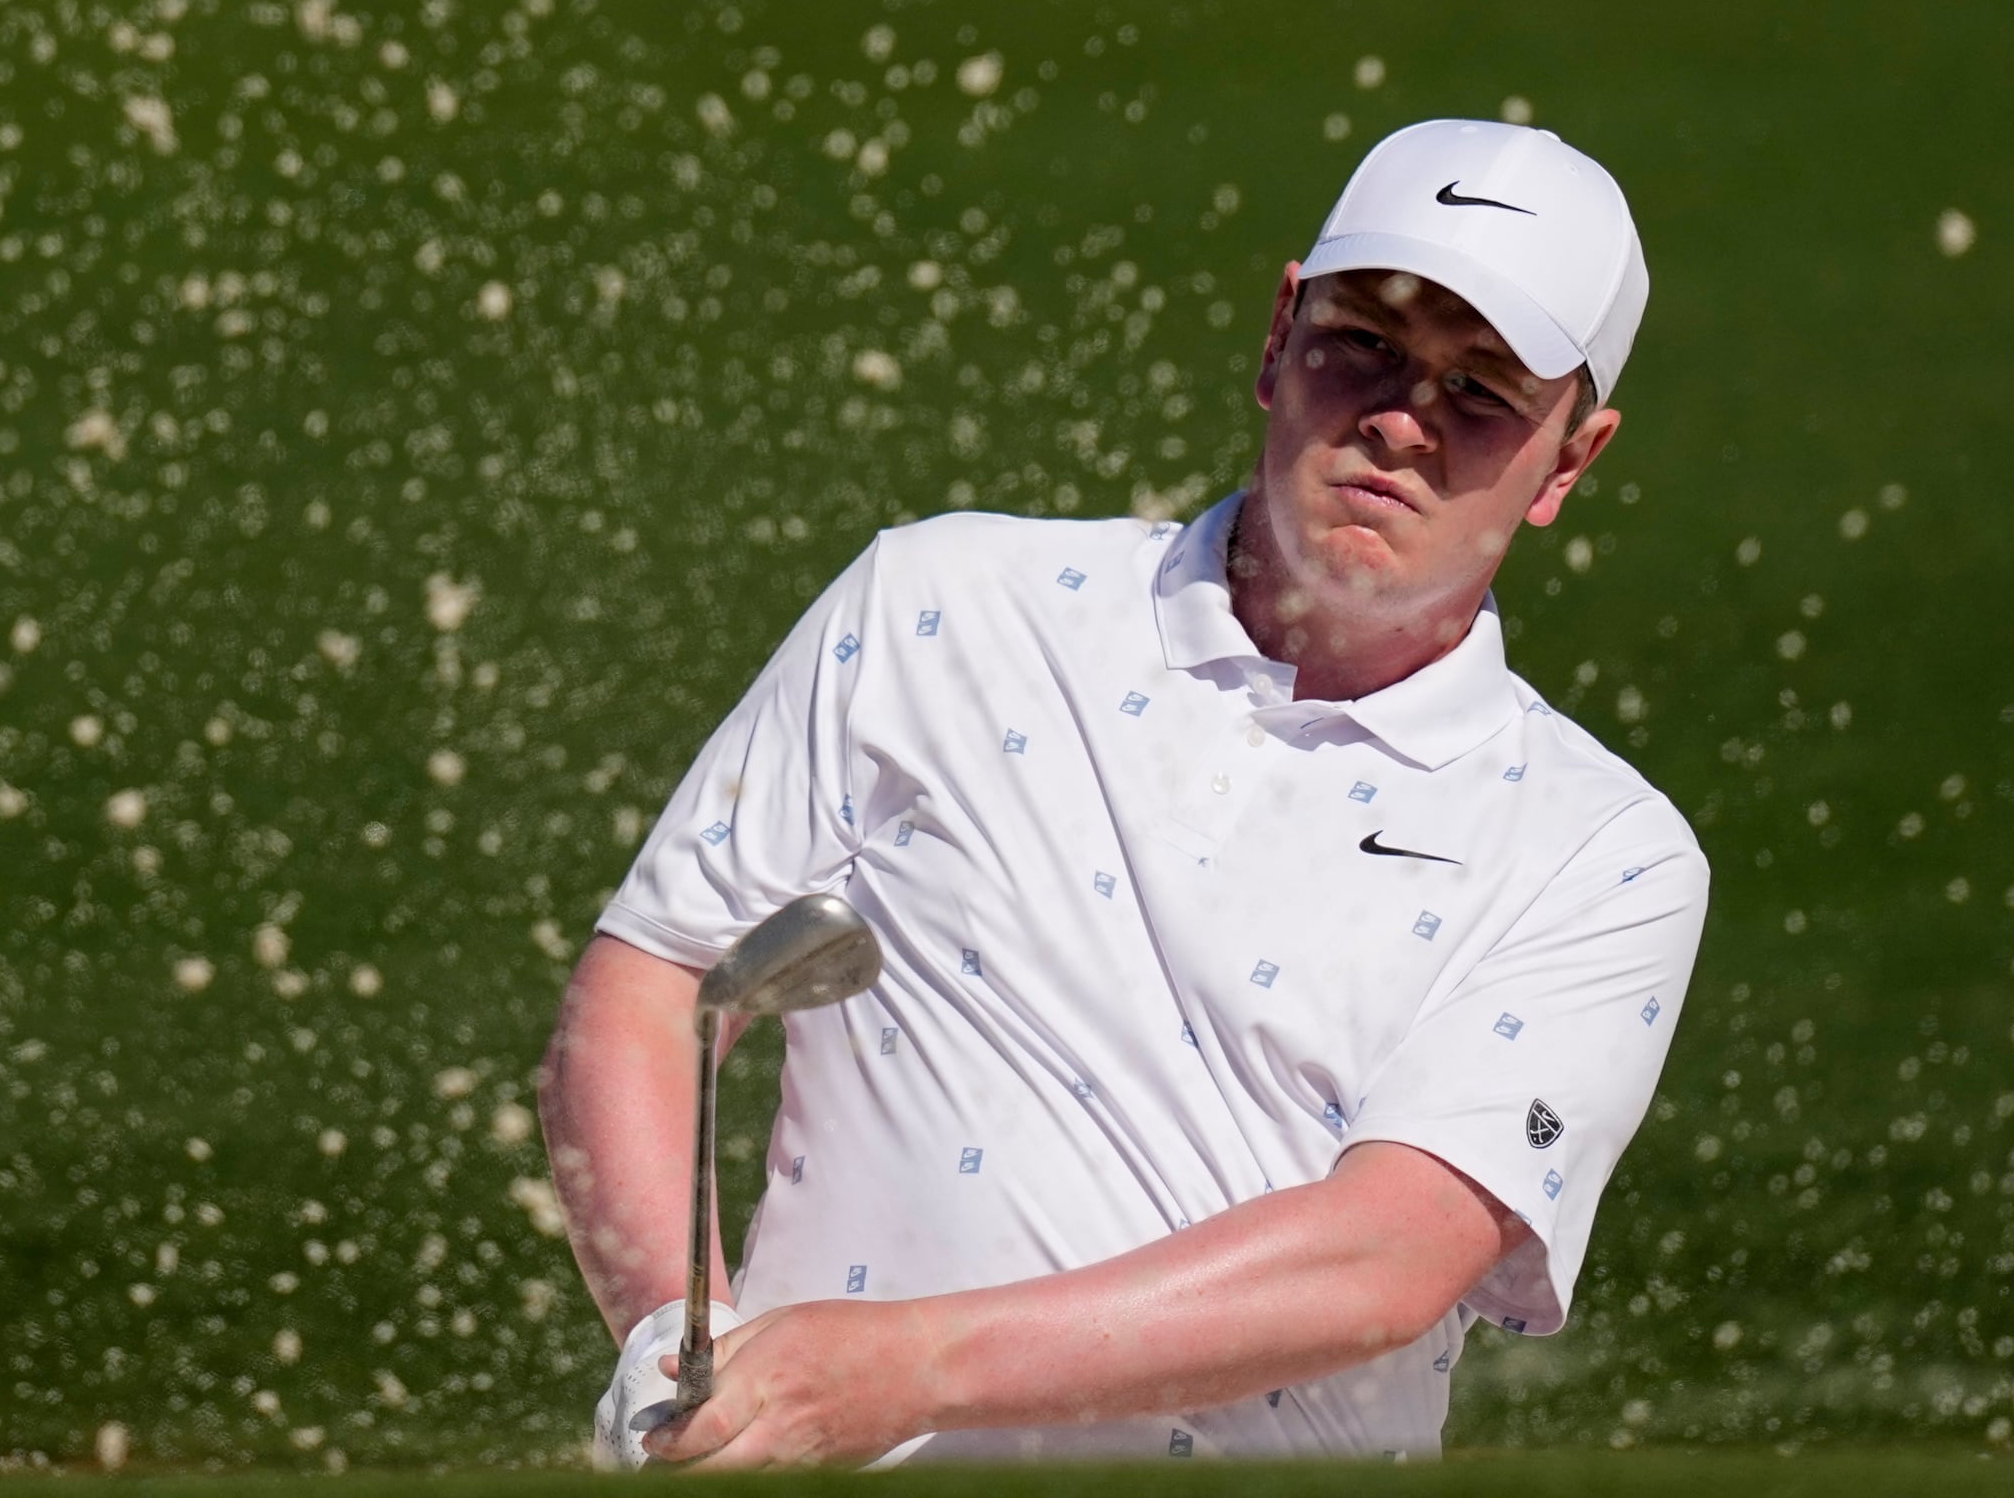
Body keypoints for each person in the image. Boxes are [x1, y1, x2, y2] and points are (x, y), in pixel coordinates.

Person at [540, 119, 1708, 1466]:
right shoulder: (943, 605)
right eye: (1365, 344)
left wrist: (905, 1372)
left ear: (1571, 459)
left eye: (1482, 391)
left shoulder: (1602, 853)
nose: (1401, 417)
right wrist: (670, 1346)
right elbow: (650, 984)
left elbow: (1388, 1255)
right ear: (1279, 337)